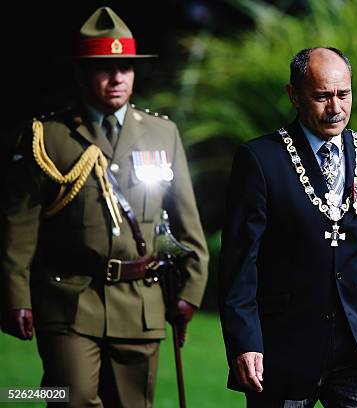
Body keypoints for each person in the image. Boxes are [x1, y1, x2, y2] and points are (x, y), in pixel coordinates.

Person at [0, 7, 209, 407]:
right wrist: (16, 297)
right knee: (70, 398)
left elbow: (188, 222)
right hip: (69, 300)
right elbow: (18, 227)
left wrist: (191, 290)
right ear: (81, 74)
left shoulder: (163, 134)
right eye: (104, 67)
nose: (117, 77)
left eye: (126, 67)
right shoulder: (48, 137)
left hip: (141, 304)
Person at [219, 47, 357, 407]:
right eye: (322, 96)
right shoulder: (260, 159)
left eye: (343, 94)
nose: (335, 107)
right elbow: (240, 263)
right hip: (283, 348)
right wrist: (245, 342)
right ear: (294, 95)